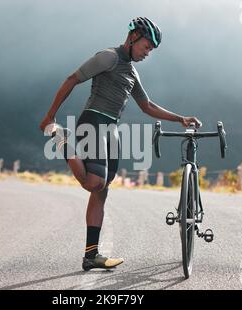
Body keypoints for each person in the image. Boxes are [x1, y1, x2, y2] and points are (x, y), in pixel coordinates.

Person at [39, 17, 202, 271]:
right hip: (93, 121)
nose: (148, 53)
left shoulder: (132, 71)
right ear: (134, 36)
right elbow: (72, 78)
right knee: (93, 182)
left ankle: (91, 255)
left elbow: (147, 106)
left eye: (151, 50)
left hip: (111, 129)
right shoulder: (108, 57)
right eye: (147, 47)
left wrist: (180, 118)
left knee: (101, 190)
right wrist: (50, 116)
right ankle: (62, 138)